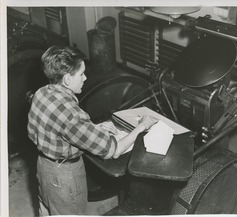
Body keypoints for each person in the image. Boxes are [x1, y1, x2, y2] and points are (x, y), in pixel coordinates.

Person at [27, 45, 158, 216]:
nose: (85, 77)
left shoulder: (42, 93)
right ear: (67, 79)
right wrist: (142, 126)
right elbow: (114, 150)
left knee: (46, 210)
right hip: (65, 177)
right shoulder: (71, 114)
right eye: (81, 73)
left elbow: (53, 129)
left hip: (44, 167)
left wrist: (93, 128)